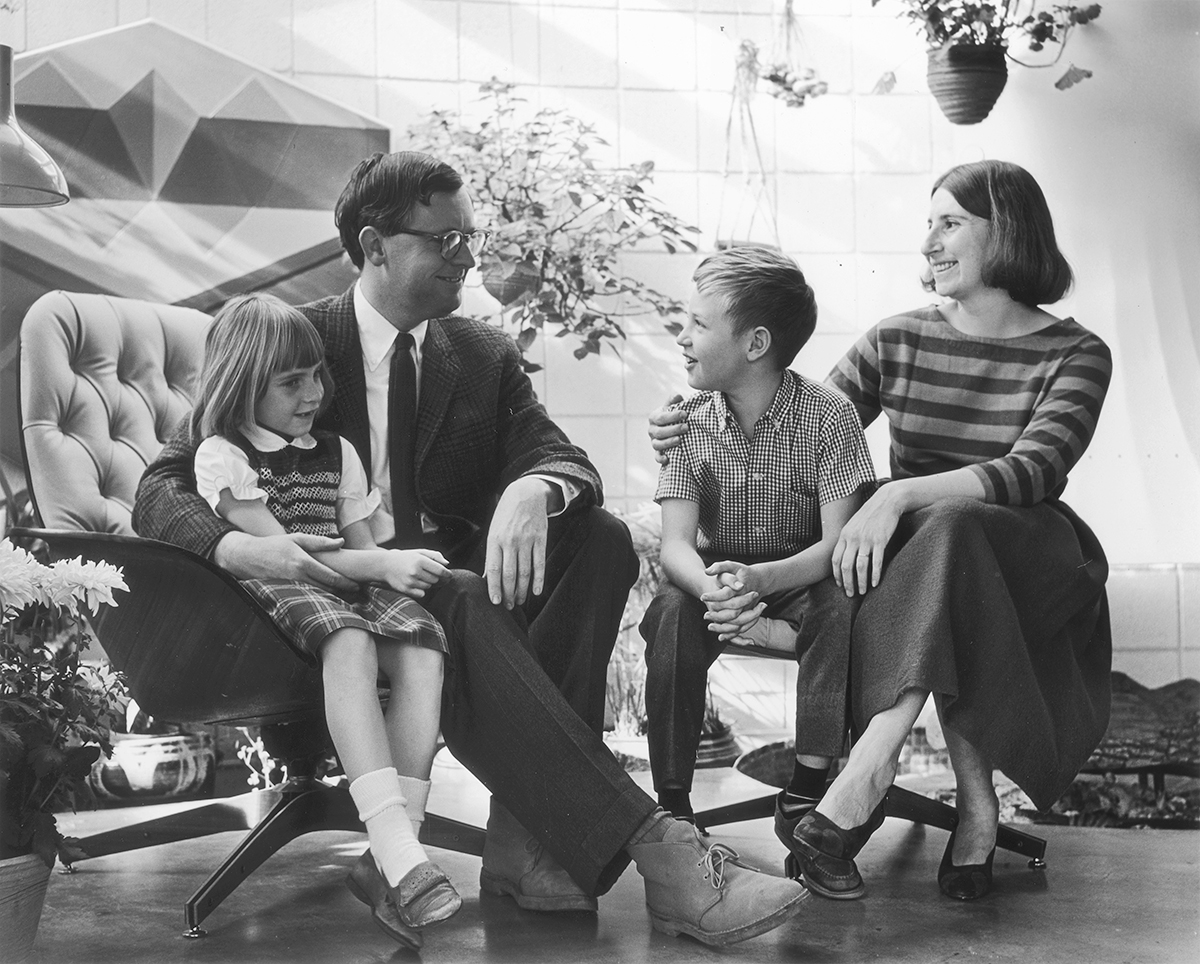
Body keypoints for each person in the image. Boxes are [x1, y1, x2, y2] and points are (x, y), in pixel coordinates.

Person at [134, 150, 809, 947]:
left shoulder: (479, 353)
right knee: (456, 593)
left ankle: (532, 842)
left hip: (436, 583)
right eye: (444, 241)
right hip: (326, 590)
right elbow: (162, 485)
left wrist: (535, 488)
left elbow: (565, 461)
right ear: (374, 245)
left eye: (470, 237)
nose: (468, 256)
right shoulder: (296, 343)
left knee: (594, 540)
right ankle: (662, 858)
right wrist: (237, 550)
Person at [649, 160, 1113, 902]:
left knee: (952, 526)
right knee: (943, 539)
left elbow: (1033, 472)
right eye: (927, 222)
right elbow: (799, 428)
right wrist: (691, 424)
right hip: (926, 562)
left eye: (950, 222)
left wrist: (895, 500)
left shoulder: (1077, 353)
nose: (928, 241)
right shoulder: (897, 338)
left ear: (1010, 232)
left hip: (1032, 554)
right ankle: (974, 805)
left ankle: (867, 768)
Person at [190, 293, 460, 947]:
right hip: (279, 589)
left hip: (342, 581)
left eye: (316, 374)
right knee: (350, 638)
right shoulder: (222, 457)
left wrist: (389, 566)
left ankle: (398, 861)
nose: (313, 392)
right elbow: (285, 553)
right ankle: (396, 847)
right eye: (291, 382)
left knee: (424, 641)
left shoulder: (337, 451)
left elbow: (360, 539)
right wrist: (378, 568)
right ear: (243, 385)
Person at [639, 247, 875, 840]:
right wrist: (714, 590)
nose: (682, 336)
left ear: (755, 344)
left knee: (837, 603)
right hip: (717, 581)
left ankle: (805, 787)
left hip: (800, 577)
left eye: (698, 324)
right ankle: (672, 799)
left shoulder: (830, 416)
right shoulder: (688, 421)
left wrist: (763, 582)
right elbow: (675, 547)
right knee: (670, 610)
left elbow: (834, 548)